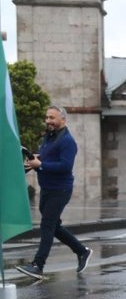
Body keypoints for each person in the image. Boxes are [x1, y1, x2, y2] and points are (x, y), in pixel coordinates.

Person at [17, 106, 93, 280]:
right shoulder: (49, 137)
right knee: (54, 226)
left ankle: (38, 265)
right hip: (47, 189)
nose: (48, 121)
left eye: (52, 118)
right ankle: (82, 251)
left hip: (60, 190)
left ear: (63, 120)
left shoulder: (67, 141)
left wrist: (41, 165)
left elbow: (65, 166)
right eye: (47, 117)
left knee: (47, 225)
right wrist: (35, 160)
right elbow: (47, 157)